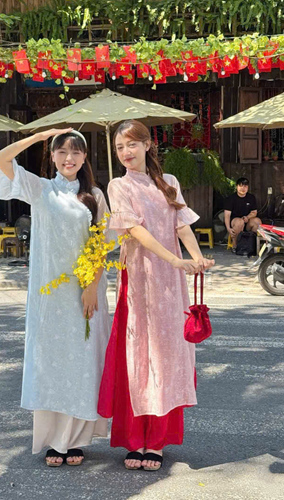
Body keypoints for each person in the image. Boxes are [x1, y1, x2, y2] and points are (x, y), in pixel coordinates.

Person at [97, 119, 215, 472]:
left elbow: (182, 225)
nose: (126, 152)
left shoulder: (169, 182)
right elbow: (134, 230)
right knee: (138, 356)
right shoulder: (118, 185)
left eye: (132, 144)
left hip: (170, 283)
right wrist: (175, 259)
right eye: (120, 147)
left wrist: (196, 258)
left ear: (148, 145)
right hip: (139, 278)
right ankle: (135, 439)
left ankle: (157, 442)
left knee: (166, 355)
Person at [0, 128, 113, 467]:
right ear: (52, 155)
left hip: (85, 293)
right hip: (50, 297)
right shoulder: (41, 189)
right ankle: (54, 440)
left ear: (85, 157)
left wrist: (91, 287)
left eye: (76, 152)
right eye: (61, 151)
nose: (68, 158)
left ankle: (76, 440)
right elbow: (1, 159)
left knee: (83, 361)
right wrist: (40, 136)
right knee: (52, 363)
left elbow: (102, 243)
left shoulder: (94, 196)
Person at [224, 178, 261, 253]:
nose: (243, 188)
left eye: (245, 186)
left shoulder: (251, 197)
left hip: (247, 222)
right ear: (237, 186)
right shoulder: (231, 198)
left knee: (257, 221)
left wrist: (247, 217)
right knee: (239, 222)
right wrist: (228, 228)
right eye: (241, 186)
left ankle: (252, 245)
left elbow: (254, 212)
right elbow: (227, 215)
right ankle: (236, 246)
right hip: (235, 223)